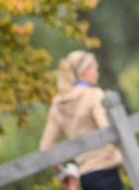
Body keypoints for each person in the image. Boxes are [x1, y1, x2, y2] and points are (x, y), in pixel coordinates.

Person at [40, 51, 124, 190]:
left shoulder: (57, 106)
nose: (97, 73)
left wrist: (62, 174)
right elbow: (108, 131)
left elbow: (45, 149)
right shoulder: (93, 95)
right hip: (107, 172)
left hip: (86, 178)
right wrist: (120, 158)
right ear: (85, 71)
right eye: (95, 69)